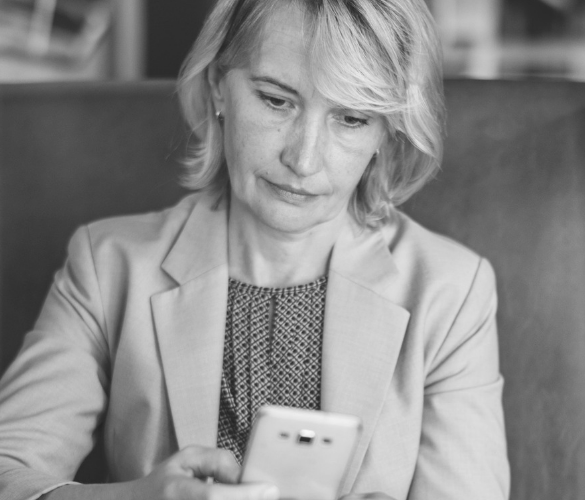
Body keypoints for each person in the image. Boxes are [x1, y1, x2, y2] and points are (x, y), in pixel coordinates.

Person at [0, 0, 509, 499]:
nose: (304, 159)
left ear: (387, 130)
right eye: (276, 100)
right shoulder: (108, 265)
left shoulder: (450, 291)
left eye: (351, 117)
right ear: (219, 84)